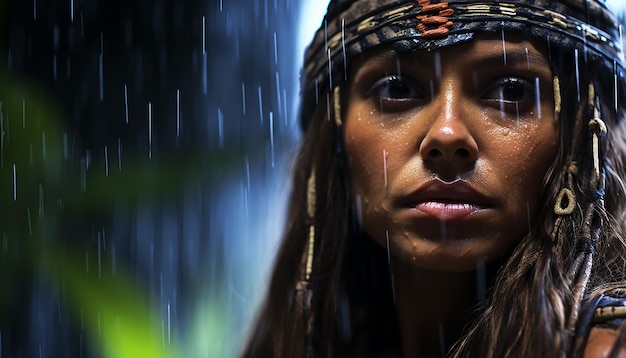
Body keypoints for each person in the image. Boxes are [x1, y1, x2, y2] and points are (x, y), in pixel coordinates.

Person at [242, 0, 626, 356]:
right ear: (336, 134)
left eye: (511, 91)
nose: (447, 134)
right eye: (396, 88)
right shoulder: (305, 339)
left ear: (580, 132)